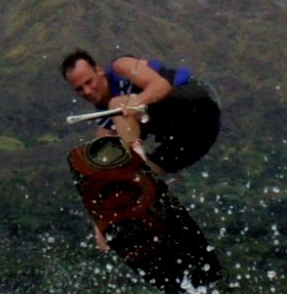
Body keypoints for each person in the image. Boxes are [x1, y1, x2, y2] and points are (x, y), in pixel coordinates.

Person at [60, 50, 222, 249]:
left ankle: (135, 162)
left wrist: (137, 102)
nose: (87, 91)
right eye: (79, 89)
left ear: (99, 71)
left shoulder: (121, 67)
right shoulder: (108, 121)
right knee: (126, 175)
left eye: (89, 82)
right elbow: (101, 175)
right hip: (196, 138)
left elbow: (161, 85)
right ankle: (162, 236)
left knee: (117, 106)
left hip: (197, 102)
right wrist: (100, 221)